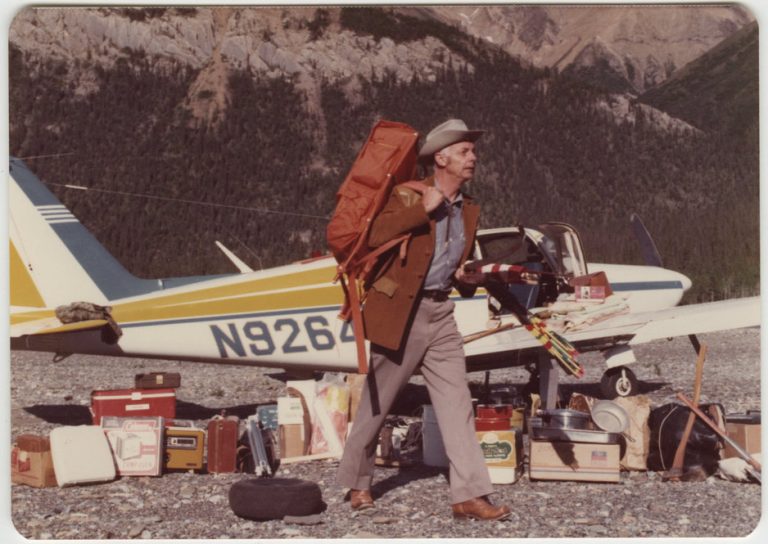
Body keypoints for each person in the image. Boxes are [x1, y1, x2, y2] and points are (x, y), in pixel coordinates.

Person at [336, 119, 511, 521]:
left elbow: (448, 262)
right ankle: (358, 481)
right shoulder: (407, 195)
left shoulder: (469, 210)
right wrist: (421, 212)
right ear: (442, 157)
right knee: (378, 404)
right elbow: (376, 234)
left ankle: (468, 495)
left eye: (472, 151)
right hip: (403, 314)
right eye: (465, 151)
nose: (473, 158)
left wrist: (465, 278)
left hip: (441, 312)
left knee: (457, 404)